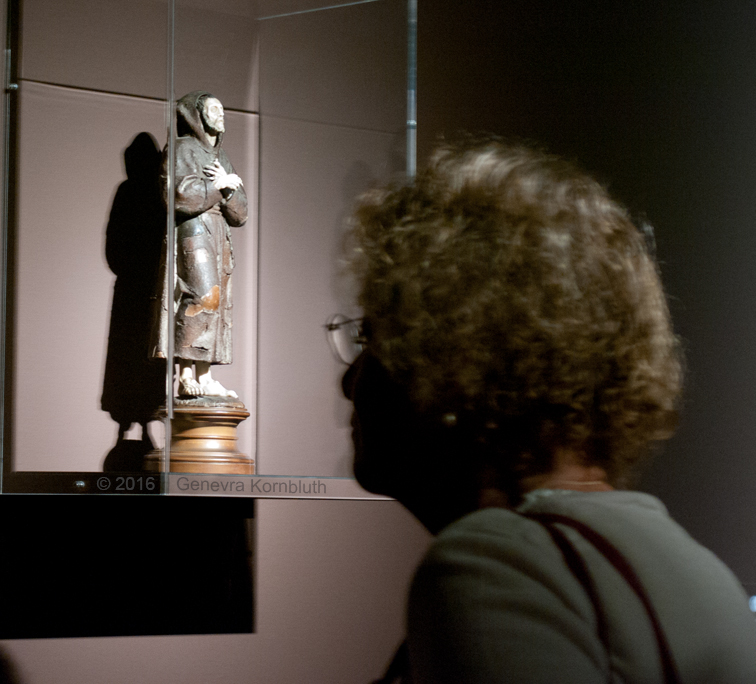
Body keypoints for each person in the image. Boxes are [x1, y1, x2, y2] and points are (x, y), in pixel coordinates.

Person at [342, 139, 756, 683]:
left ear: (457, 352)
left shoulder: (495, 570)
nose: (349, 380)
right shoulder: (700, 570)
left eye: (371, 335)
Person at [153, 91, 247, 398]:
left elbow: (241, 213)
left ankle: (205, 376)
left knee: (217, 304)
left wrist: (229, 191)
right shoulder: (181, 148)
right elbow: (177, 195)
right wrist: (218, 185)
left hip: (219, 233)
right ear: (196, 116)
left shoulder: (223, 157)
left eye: (222, 109)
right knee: (200, 297)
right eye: (213, 109)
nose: (221, 114)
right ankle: (185, 374)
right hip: (194, 229)